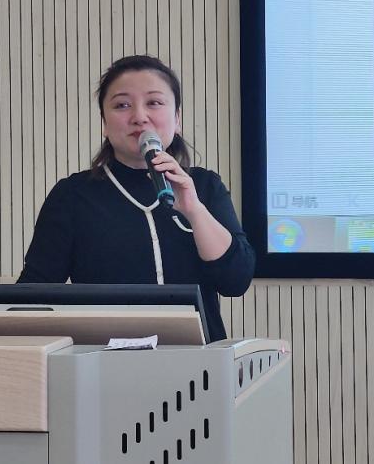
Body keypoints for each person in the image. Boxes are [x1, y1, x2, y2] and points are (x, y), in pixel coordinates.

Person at [18, 55, 255, 340]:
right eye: (122, 105)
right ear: (105, 123)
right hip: (103, 359)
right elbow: (32, 297)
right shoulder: (73, 195)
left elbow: (236, 281)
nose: (139, 117)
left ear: (177, 119)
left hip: (199, 360)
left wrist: (194, 209)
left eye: (154, 102)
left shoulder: (204, 186)